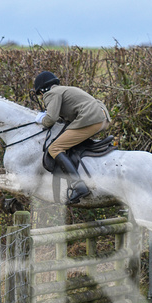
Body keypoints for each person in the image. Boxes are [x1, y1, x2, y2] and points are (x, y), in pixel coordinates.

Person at [33, 71, 111, 204]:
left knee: (55, 148)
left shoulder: (51, 94)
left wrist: (41, 119)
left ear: (42, 91)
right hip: (102, 117)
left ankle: (79, 185)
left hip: (90, 118)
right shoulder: (64, 90)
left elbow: (50, 119)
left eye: (40, 95)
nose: (42, 98)